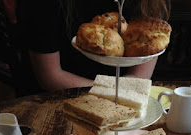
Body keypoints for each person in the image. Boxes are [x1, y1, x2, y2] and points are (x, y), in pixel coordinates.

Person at [17, 0, 171, 92]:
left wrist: (122, 95)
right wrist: (114, 93)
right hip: (59, 97)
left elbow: (138, 74)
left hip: (124, 92)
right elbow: (50, 77)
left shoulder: (148, 4)